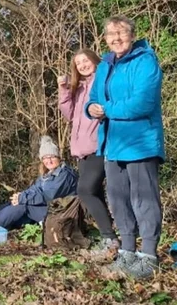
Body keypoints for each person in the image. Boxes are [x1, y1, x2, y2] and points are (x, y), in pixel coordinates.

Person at [85, 15, 165, 279]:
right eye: (110, 34)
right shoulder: (105, 65)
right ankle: (128, 252)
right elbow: (94, 97)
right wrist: (91, 108)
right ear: (105, 38)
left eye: (121, 33)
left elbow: (142, 103)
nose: (116, 38)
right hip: (112, 143)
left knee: (143, 200)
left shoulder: (146, 61)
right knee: (118, 201)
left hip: (140, 143)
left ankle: (149, 257)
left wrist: (106, 109)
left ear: (132, 35)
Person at [58, 48, 119, 252]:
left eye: (85, 61)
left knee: (84, 191)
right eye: (78, 63)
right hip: (81, 150)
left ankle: (110, 238)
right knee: (94, 192)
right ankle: (109, 236)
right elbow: (69, 115)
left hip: (97, 146)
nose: (82, 65)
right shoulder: (80, 87)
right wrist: (65, 89)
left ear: (94, 60)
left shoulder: (100, 81)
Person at [0, 137, 77, 230]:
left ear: (58, 157)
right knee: (16, 201)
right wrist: (20, 195)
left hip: (60, 214)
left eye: (52, 156)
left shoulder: (65, 175)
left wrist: (23, 198)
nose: (48, 160)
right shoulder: (48, 174)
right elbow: (35, 189)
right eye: (45, 157)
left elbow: (48, 195)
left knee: (23, 204)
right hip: (48, 209)